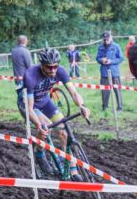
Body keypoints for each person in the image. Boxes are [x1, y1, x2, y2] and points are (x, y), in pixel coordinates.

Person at [20, 47, 90, 179]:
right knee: (46, 126)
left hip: (45, 102)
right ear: (42, 65)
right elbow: (29, 108)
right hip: (29, 104)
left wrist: (82, 106)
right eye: (49, 67)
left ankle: (72, 169)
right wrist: (38, 125)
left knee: (63, 130)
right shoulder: (30, 75)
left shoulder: (61, 71)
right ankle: (40, 154)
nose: (53, 70)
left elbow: (74, 92)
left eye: (55, 67)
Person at [96, 31, 124, 112]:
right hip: (104, 72)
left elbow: (121, 58)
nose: (106, 41)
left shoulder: (116, 46)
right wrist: (101, 60)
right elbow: (97, 58)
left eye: (107, 39)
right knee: (105, 90)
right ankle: (105, 107)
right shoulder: (100, 47)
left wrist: (111, 61)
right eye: (104, 39)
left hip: (114, 72)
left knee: (117, 90)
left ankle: (120, 108)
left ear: (111, 37)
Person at [10, 35, 32, 105]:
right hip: (26, 78)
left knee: (21, 96)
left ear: (18, 41)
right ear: (25, 41)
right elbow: (29, 65)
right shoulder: (26, 51)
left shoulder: (13, 51)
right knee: (26, 98)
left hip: (17, 77)